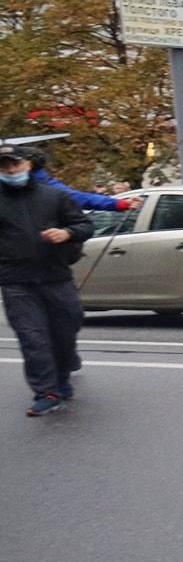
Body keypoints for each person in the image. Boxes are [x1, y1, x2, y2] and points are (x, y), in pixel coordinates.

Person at [0, 143, 92, 417]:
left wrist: (66, 233)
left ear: (27, 164)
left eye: (14, 164)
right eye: (4, 166)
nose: (10, 170)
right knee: (33, 338)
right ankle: (46, 392)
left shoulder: (54, 196)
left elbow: (85, 225)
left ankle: (61, 379)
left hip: (56, 276)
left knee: (65, 330)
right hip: (16, 281)